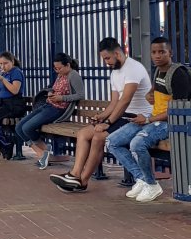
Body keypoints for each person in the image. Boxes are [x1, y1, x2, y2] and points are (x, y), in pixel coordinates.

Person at [50, 37, 151, 193]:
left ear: (117, 53)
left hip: (137, 117)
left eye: (107, 58)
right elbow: (114, 102)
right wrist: (102, 116)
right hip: (122, 116)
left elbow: (125, 100)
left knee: (98, 137)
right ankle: (74, 174)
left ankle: (83, 181)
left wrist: (108, 123)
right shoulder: (115, 73)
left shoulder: (133, 68)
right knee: (83, 133)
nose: (106, 62)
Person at [106, 37, 191, 203]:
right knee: (112, 141)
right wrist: (149, 94)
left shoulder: (179, 75)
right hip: (153, 119)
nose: (157, 56)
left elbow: (178, 110)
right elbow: (155, 90)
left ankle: (152, 184)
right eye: (154, 52)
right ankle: (142, 179)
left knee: (137, 144)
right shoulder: (158, 71)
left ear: (170, 53)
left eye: (162, 52)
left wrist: (148, 119)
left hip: (172, 123)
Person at [18, 53, 84, 166]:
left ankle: (44, 154)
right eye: (55, 68)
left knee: (27, 128)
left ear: (68, 65)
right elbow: (55, 89)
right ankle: (43, 153)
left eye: (59, 68)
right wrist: (50, 93)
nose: (57, 71)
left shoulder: (73, 75)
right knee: (19, 127)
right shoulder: (60, 75)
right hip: (48, 105)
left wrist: (62, 98)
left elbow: (80, 95)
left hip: (57, 109)